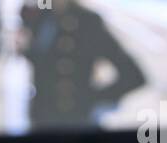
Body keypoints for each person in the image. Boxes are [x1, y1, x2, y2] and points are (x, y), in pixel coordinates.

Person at [20, 0, 146, 132]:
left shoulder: (87, 22)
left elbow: (133, 75)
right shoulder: (39, 18)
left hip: (77, 126)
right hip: (41, 125)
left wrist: (93, 99)